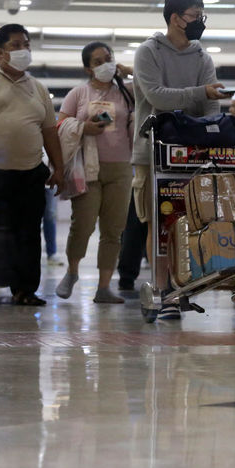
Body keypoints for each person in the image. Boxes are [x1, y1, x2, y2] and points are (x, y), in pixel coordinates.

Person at [131, 0, 230, 319]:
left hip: (193, 155)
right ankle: (163, 290)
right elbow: (158, 97)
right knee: (159, 224)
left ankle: (182, 285)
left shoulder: (202, 57)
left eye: (202, 15)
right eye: (195, 16)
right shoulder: (148, 52)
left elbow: (211, 102)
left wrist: (210, 128)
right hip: (153, 153)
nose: (200, 22)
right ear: (175, 18)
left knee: (189, 223)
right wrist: (199, 93)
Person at [0, 24, 64, 305]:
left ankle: (24, 290)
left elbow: (49, 132)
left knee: (27, 233)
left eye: (27, 44)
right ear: (0, 53)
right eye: (16, 45)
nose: (24, 50)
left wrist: (59, 168)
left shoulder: (38, 88)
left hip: (29, 172)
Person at [55, 42, 135, 304]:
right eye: (98, 61)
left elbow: (151, 86)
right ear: (88, 68)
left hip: (121, 168)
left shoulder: (127, 92)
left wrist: (129, 71)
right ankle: (72, 271)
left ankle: (104, 287)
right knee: (83, 225)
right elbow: (59, 125)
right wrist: (82, 127)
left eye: (109, 59)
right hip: (87, 168)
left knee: (114, 230)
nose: (106, 65)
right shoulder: (78, 93)